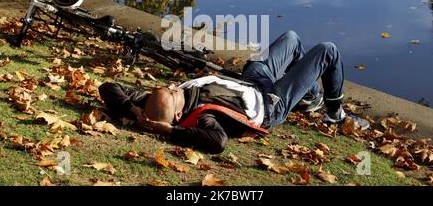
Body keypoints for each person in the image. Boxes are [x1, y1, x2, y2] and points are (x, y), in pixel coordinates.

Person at [99, 30, 369, 153]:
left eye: (166, 88)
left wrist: (134, 110)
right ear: (179, 112)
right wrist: (168, 131)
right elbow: (217, 142)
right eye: (171, 93)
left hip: (254, 79)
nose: (172, 86)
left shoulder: (151, 103)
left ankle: (308, 96)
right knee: (328, 50)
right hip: (270, 103)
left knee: (291, 38)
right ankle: (335, 114)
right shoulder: (201, 118)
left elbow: (108, 87)